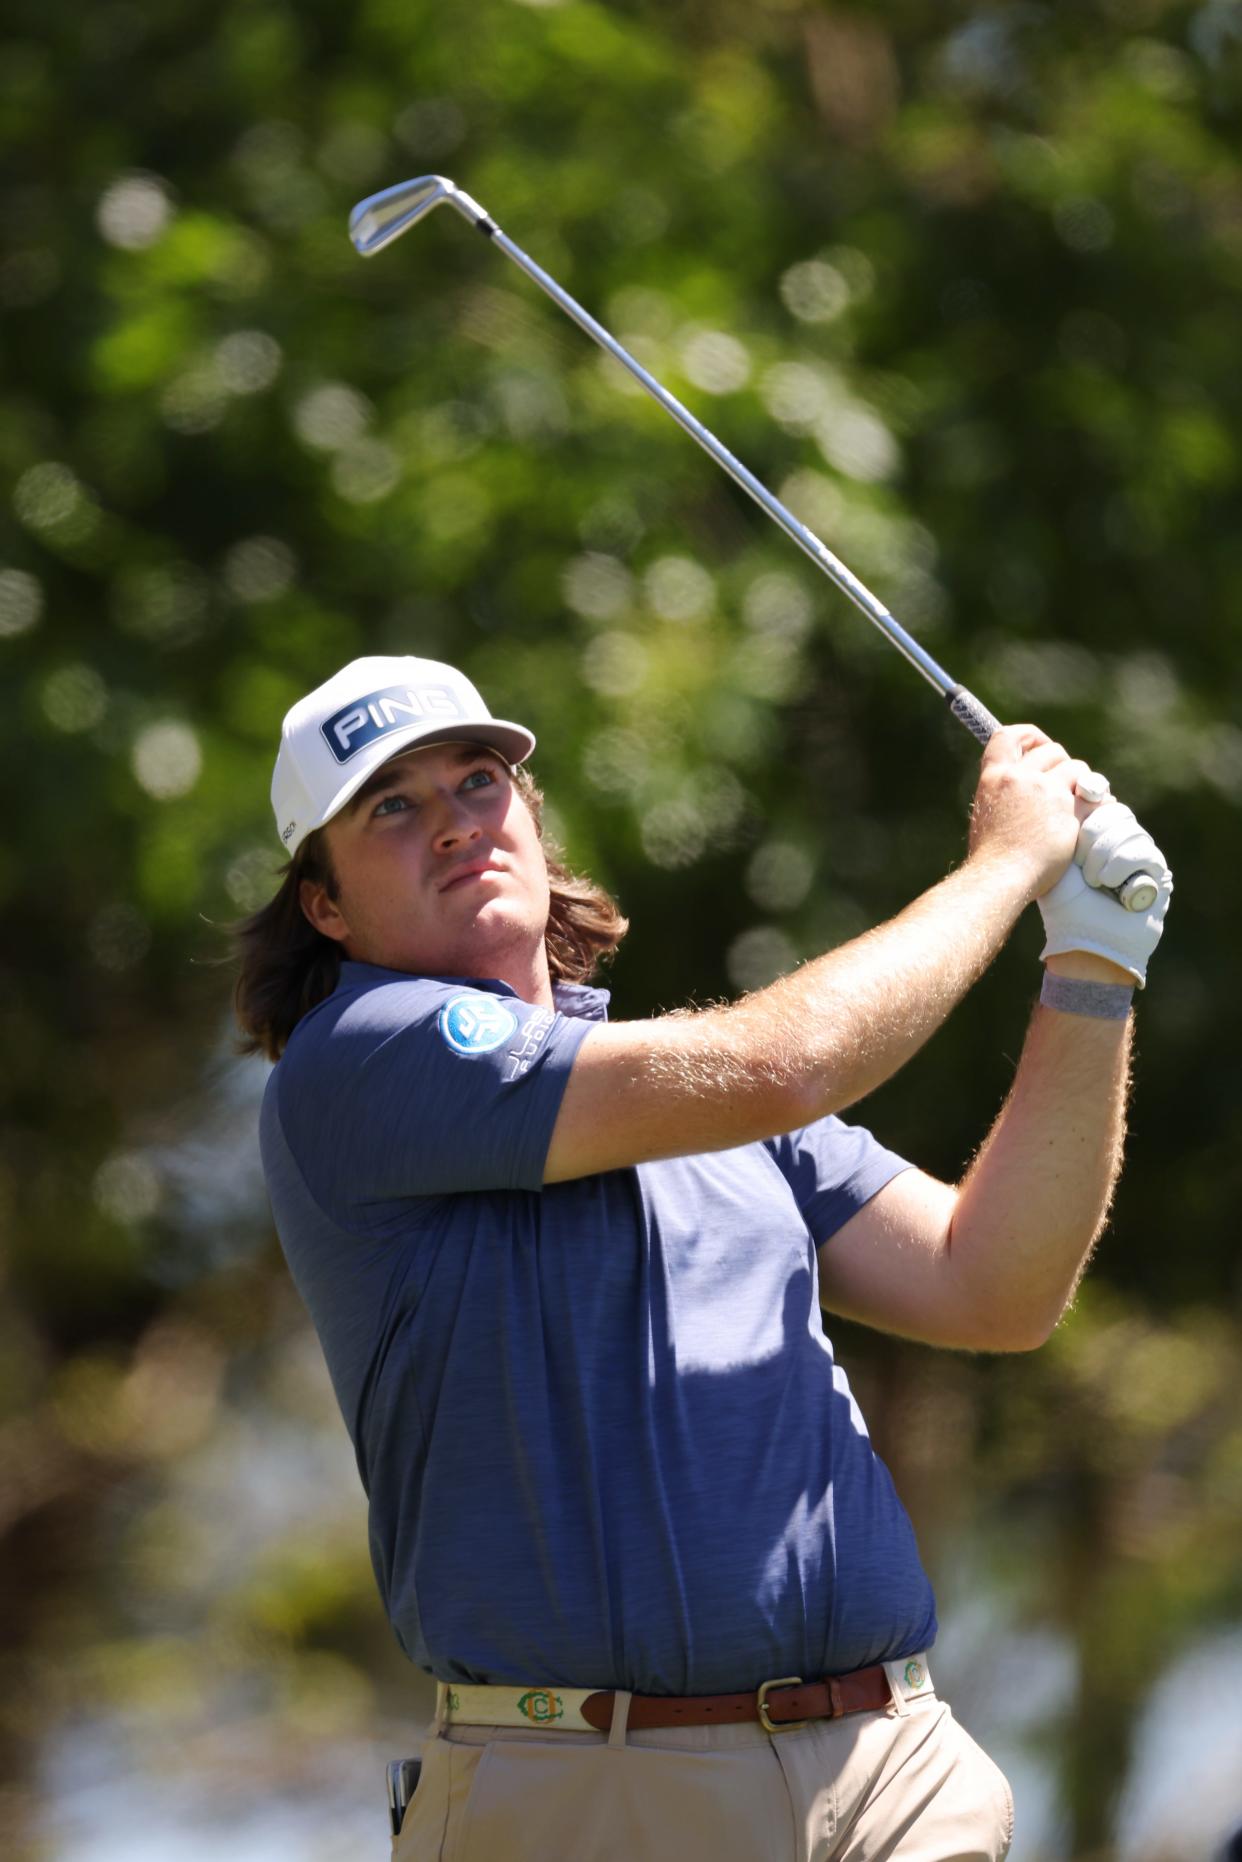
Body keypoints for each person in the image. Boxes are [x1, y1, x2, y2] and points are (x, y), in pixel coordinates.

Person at [235, 652, 1171, 1862]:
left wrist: (1091, 967)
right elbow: (781, 1062)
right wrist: (1004, 866)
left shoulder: (692, 1091)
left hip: (889, 1770)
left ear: (528, 810)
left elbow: (990, 1285)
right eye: (392, 806)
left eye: (478, 780)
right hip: (590, 1791)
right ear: (325, 904)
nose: (456, 823)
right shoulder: (359, 1058)